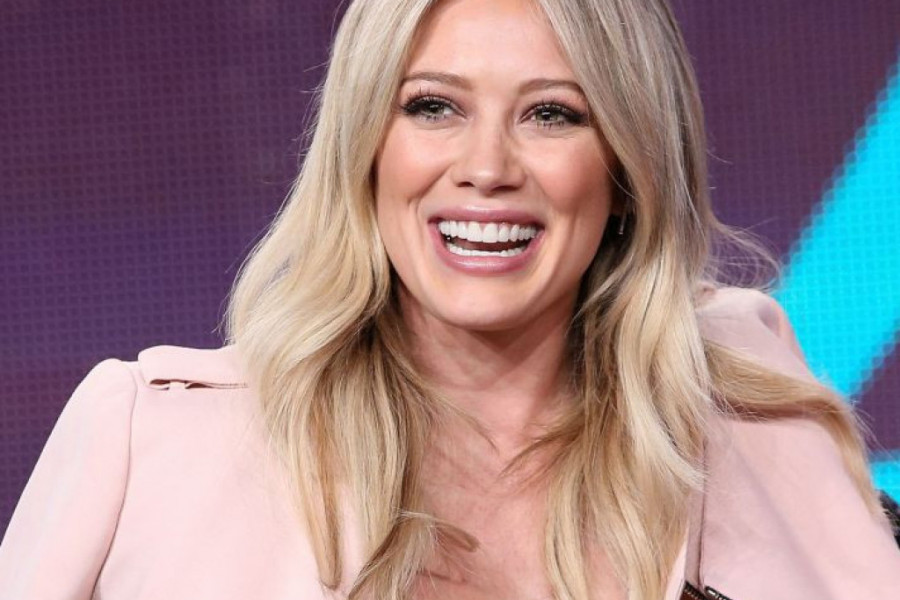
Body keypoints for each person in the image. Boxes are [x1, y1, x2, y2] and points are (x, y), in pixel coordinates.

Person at [1, 0, 898, 598]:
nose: (486, 168)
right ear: (366, 146)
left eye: (552, 113)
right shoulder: (148, 443)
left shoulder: (753, 430)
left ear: (627, 172)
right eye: (433, 107)